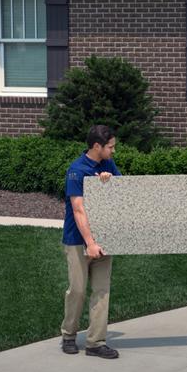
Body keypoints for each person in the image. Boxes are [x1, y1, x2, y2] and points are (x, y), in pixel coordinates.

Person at [60, 125, 123, 358]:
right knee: (77, 290)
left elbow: (124, 193)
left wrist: (110, 182)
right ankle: (69, 335)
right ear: (97, 146)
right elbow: (78, 210)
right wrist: (90, 243)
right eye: (110, 147)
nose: (113, 151)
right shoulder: (76, 171)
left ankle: (95, 342)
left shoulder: (108, 165)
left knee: (101, 291)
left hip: (104, 238)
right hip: (78, 241)